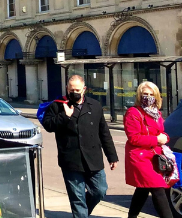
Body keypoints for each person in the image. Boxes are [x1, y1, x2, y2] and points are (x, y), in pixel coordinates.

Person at [42, 74, 118, 218]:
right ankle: (81, 214)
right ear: (67, 89)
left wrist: (112, 156)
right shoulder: (57, 105)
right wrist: (65, 116)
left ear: (84, 89)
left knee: (100, 190)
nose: (74, 93)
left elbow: (104, 133)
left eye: (77, 90)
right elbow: (48, 125)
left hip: (93, 158)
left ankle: (82, 213)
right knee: (77, 200)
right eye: (71, 90)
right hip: (71, 160)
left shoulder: (95, 105)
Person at [124, 81, 177, 218]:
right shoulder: (133, 112)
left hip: (154, 156)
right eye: (144, 94)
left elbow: (162, 131)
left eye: (151, 94)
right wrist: (156, 139)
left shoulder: (156, 113)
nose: (148, 97)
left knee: (142, 189)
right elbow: (134, 138)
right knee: (158, 188)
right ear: (139, 95)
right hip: (139, 157)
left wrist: (164, 137)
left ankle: (132, 216)